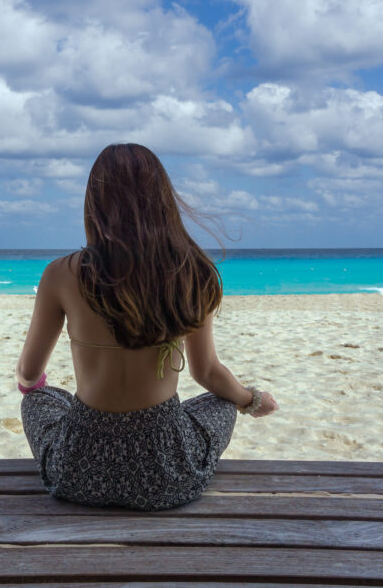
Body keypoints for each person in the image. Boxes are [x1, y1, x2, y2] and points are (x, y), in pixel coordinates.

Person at [15, 143, 278, 511]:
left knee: (42, 400)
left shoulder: (60, 274)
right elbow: (207, 372)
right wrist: (251, 399)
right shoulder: (192, 271)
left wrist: (34, 387)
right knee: (222, 402)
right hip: (169, 476)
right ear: (163, 201)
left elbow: (29, 375)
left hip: (78, 472)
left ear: (95, 204)